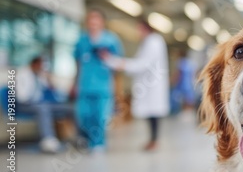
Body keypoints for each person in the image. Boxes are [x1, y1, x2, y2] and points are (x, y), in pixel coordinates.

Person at [100, 19, 169, 151]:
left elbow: (141, 64)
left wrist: (115, 62)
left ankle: (154, 141)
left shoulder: (153, 41)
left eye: (139, 30)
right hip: (149, 85)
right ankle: (152, 140)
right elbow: (139, 62)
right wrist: (115, 61)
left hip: (152, 86)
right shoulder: (149, 42)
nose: (137, 33)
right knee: (151, 114)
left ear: (145, 28)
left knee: (153, 114)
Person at [72, 8, 123, 152]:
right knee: (83, 115)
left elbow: (117, 66)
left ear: (102, 22)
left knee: (100, 117)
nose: (93, 23)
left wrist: (118, 89)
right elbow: (78, 64)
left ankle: (98, 143)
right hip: (84, 85)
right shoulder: (81, 41)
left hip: (103, 86)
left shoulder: (111, 40)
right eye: (90, 20)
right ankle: (89, 139)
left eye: (96, 20)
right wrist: (74, 83)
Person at [17, 56, 74, 153]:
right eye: (41, 65)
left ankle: (78, 138)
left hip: (40, 104)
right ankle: (48, 141)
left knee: (70, 108)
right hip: (24, 105)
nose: (42, 68)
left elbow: (55, 93)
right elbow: (21, 96)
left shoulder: (40, 76)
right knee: (43, 108)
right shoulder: (22, 74)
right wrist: (38, 100)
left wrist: (49, 81)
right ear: (34, 64)